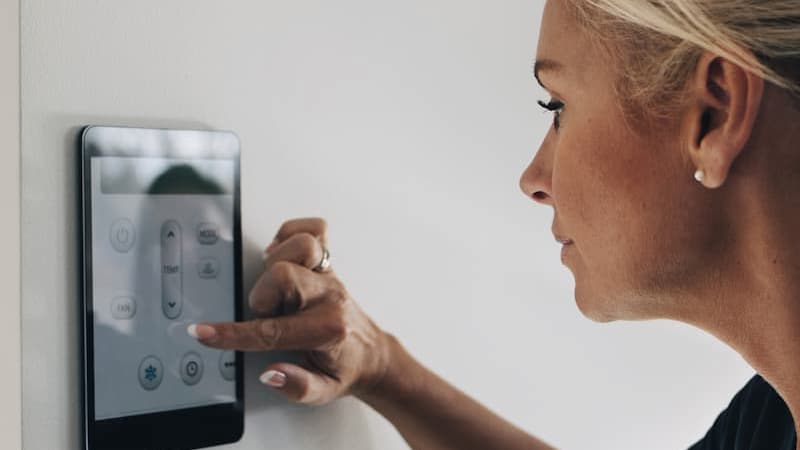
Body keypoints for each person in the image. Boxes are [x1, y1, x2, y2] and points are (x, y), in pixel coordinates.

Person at [186, 0, 800, 448]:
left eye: (557, 107)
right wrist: (382, 370)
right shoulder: (770, 421)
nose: (534, 178)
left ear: (714, 115)